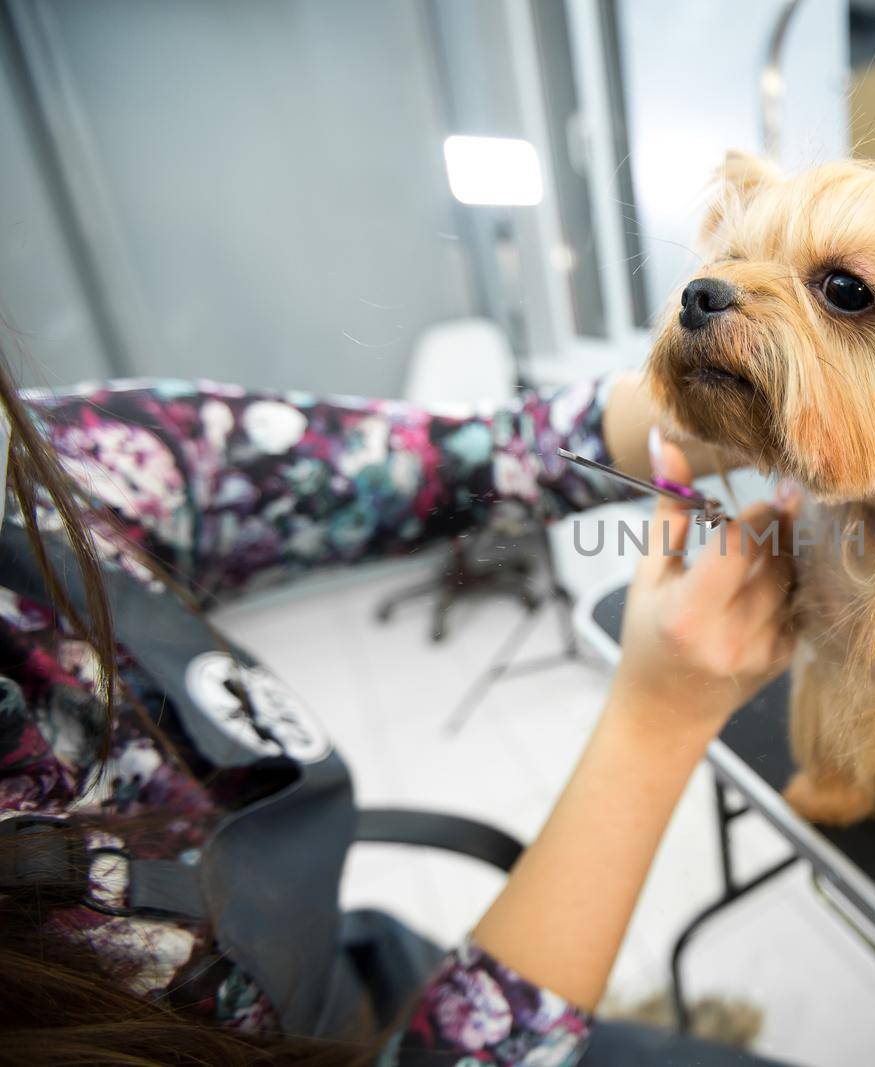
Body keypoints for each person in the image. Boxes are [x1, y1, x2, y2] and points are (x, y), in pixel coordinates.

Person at [0, 348, 797, 1066]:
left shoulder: (41, 475)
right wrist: (657, 719)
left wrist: (715, 408)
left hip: (354, 966)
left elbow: (449, 458)